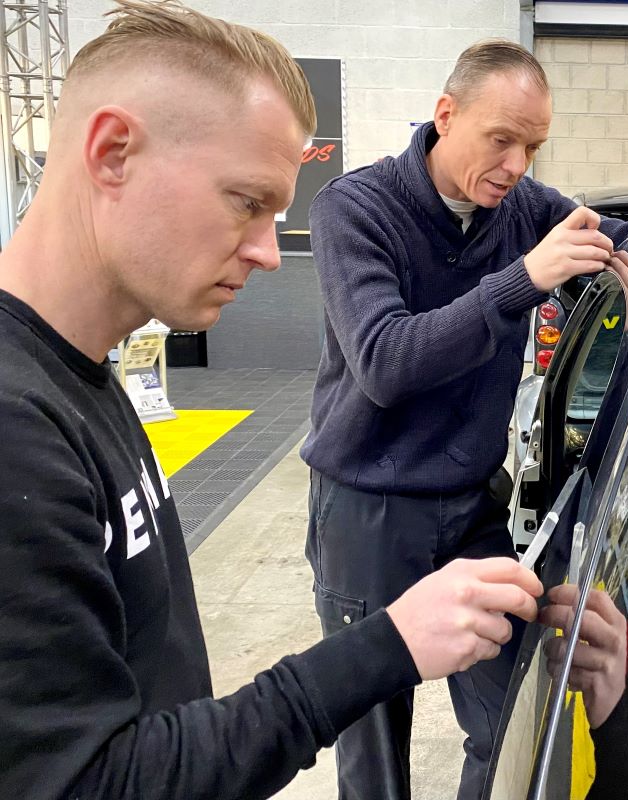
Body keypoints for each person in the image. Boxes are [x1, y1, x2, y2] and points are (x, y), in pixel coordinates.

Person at [0, 3, 545, 799]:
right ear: (112, 152)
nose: (266, 252)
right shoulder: (18, 431)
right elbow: (91, 781)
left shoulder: (81, 385)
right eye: (246, 202)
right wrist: (382, 648)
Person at [302, 37, 628, 800]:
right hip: (369, 513)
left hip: (472, 510)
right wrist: (522, 280)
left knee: (508, 726)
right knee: (373, 749)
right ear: (446, 116)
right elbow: (385, 364)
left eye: (533, 146)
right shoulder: (354, 210)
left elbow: (623, 245)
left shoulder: (519, 206)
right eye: (502, 140)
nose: (519, 165)